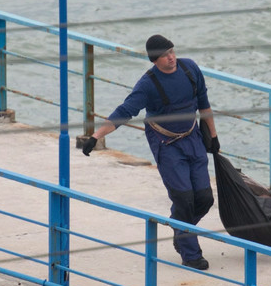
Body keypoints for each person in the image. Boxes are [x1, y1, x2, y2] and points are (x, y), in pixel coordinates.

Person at [82, 34, 220, 271]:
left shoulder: (190, 69)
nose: (171, 58)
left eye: (172, 52)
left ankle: (180, 230)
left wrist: (214, 136)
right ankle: (191, 253)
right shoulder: (147, 85)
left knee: (205, 198)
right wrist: (96, 137)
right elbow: (124, 111)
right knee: (183, 198)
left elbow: (204, 105)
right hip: (166, 143)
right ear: (154, 60)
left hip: (193, 136)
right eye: (165, 55)